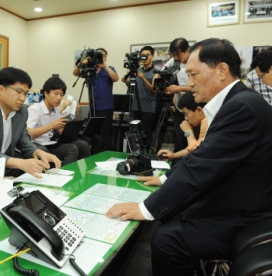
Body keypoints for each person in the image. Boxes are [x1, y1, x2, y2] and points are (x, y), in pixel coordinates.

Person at [106, 38, 272, 276]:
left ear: (222, 70)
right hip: (240, 200)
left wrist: (145, 208)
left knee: (166, 239)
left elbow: (204, 165)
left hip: (247, 214)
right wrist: (165, 180)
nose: (189, 83)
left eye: (194, 74)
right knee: (174, 215)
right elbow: (205, 155)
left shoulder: (242, 106)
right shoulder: (239, 101)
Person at [137, 92, 207, 186]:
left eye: (186, 114)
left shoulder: (207, 122)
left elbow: (195, 154)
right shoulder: (203, 121)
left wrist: (188, 132)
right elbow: (194, 148)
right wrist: (173, 155)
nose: (185, 119)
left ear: (199, 110)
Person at [26, 77, 91, 165]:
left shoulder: (56, 110)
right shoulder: (35, 109)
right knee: (72, 149)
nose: (59, 98)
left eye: (61, 95)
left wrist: (74, 116)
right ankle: (64, 175)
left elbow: (61, 132)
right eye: (56, 93)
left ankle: (83, 174)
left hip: (51, 143)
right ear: (46, 93)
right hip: (37, 145)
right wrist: (52, 125)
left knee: (83, 145)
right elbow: (28, 134)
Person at [73, 48, 119, 151]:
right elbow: (75, 73)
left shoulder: (110, 69)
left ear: (106, 57)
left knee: (105, 135)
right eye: (98, 55)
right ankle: (95, 156)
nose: (101, 57)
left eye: (103, 55)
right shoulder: (90, 69)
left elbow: (116, 78)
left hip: (106, 108)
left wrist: (104, 65)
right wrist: (81, 62)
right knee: (94, 136)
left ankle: (106, 156)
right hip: (93, 108)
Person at [160, 38, 193, 157]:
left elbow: (198, 87)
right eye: (173, 54)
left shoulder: (196, 61)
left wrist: (177, 89)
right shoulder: (174, 61)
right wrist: (158, 80)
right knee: (179, 140)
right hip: (180, 109)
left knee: (194, 141)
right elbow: (161, 72)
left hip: (196, 109)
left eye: (178, 54)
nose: (176, 57)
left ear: (187, 50)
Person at [122, 46, 157, 150]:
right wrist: (126, 82)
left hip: (148, 109)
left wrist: (143, 78)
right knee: (134, 134)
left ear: (152, 56)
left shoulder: (156, 72)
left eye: (148, 55)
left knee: (146, 134)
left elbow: (154, 90)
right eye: (143, 55)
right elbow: (133, 87)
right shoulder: (136, 70)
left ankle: (146, 156)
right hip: (135, 107)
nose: (145, 57)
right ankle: (133, 154)